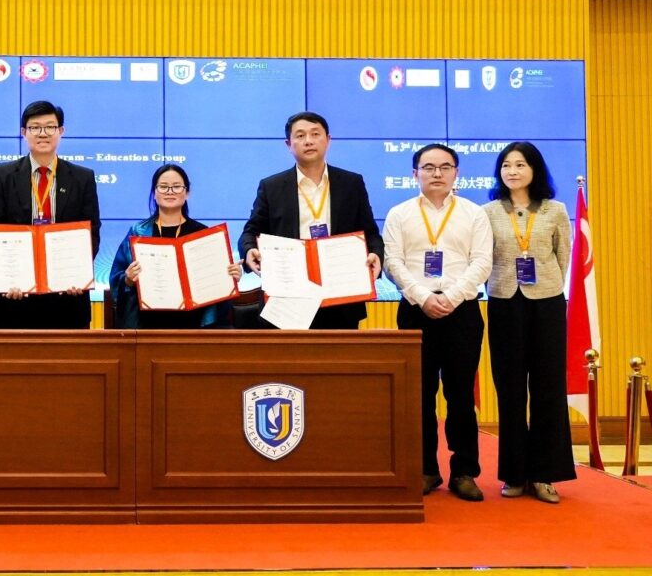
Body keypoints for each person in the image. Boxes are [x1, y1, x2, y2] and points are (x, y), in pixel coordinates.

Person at [382, 143, 493, 501]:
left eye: (445, 167)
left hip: (462, 312)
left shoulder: (474, 214)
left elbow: (482, 262)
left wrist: (452, 297)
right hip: (416, 310)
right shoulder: (399, 214)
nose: (437, 174)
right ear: (414, 173)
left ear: (456, 173)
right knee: (419, 394)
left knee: (461, 395)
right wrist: (423, 297)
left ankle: (464, 472)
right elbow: (393, 262)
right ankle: (425, 469)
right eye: (428, 167)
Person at [484, 141, 575, 504]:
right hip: (504, 302)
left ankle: (544, 475)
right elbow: (483, 257)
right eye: (506, 165)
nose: (513, 171)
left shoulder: (555, 210)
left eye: (520, 164)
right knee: (509, 389)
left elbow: (563, 257)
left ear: (534, 169)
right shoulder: (488, 212)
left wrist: (548, 286)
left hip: (546, 304)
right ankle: (515, 473)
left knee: (548, 387)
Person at [239, 111, 383, 329]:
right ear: (289, 144)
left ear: (328, 140)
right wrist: (250, 249)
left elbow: (370, 232)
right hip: (288, 298)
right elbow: (250, 232)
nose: (308, 141)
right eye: (300, 135)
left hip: (341, 295)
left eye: (315, 134)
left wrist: (376, 254)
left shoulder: (351, 183)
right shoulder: (272, 186)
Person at [0, 100, 101, 329]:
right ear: (23, 132)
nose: (43, 133)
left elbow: (92, 232)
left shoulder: (82, 178)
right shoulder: (2, 175)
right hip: (13, 298)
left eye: (50, 127)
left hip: (67, 298)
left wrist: (77, 274)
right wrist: (6, 277)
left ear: (61, 131)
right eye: (35, 127)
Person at [110, 164, 242, 328]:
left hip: (194, 326)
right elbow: (116, 279)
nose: (170, 191)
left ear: (187, 193)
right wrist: (127, 280)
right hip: (148, 326)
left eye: (177, 186)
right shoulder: (138, 232)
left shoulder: (203, 234)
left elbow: (217, 288)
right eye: (163, 187)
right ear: (154, 193)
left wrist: (230, 277)